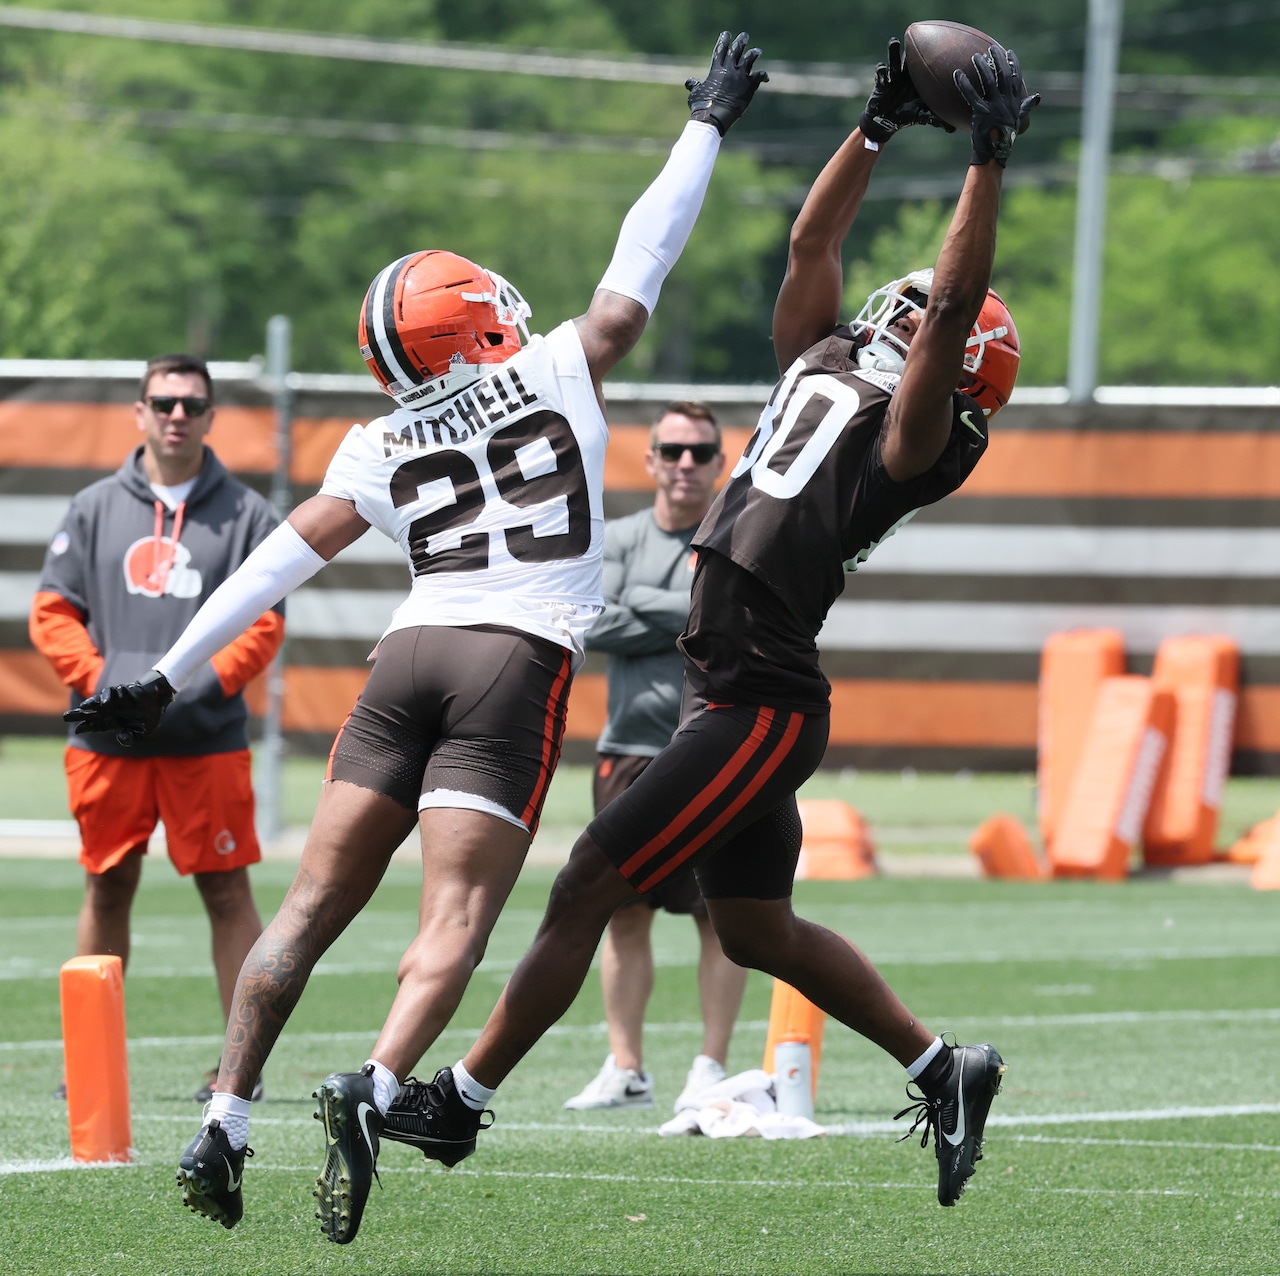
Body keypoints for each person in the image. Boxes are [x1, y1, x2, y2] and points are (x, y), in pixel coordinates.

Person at [65, 32, 768, 1243]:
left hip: (408, 656)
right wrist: (702, 122)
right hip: (515, 657)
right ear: (475, 325)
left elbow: (281, 555)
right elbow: (638, 257)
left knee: (304, 911)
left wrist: (163, 672)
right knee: (454, 920)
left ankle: (224, 1117)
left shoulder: (374, 444)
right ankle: (376, 1084)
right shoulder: (558, 364)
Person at [383, 40, 1039, 1210]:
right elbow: (810, 247)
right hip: (729, 681)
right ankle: (947, 1068)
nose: (891, 312)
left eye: (920, 319)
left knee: (587, 876)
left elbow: (943, 304)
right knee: (755, 929)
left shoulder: (918, 440)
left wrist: (986, 159)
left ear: (951, 365)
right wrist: (877, 120)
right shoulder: (825, 359)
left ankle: (460, 1101)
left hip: (759, 698)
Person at [30, 353, 282, 1102]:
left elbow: (263, 624)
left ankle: (243, 1072)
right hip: (108, 743)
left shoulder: (247, 515)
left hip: (205, 740)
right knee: (106, 888)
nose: (178, 415)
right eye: (164, 402)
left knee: (227, 894)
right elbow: (53, 614)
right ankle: (89, 1064)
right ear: (139, 411)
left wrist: (175, 689)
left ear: (210, 417)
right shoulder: (94, 507)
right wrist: (108, 687)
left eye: (193, 405)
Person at [562, 401, 748, 1114]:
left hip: (712, 753)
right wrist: (679, 606)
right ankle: (627, 1066)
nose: (686, 465)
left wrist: (651, 606)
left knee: (719, 916)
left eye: (700, 452)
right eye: (672, 450)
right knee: (622, 914)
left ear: (720, 462)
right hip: (627, 753)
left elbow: (725, 616)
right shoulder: (622, 535)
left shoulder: (733, 529)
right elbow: (592, 616)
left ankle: (710, 1064)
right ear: (650, 460)